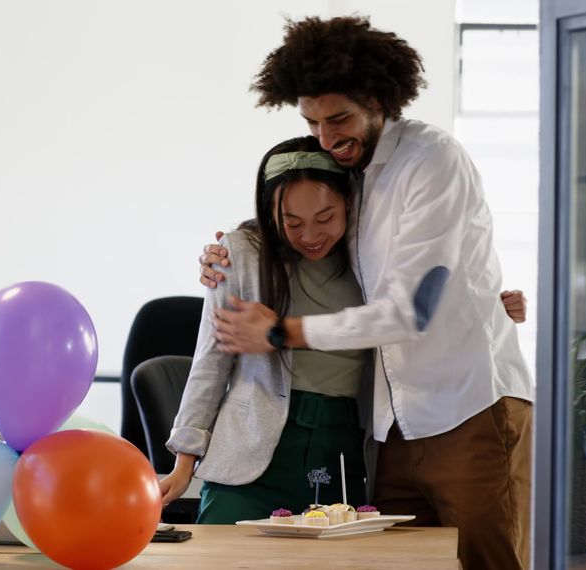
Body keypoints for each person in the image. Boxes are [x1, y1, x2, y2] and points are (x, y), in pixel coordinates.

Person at [199, 16, 534, 570]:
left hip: (468, 408)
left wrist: (281, 332)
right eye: (312, 121)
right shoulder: (353, 169)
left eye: (340, 119)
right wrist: (230, 250)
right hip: (393, 425)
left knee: (485, 562)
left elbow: (413, 307)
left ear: (380, 99)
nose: (327, 138)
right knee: (402, 564)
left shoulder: (432, 162)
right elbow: (307, 215)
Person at [159, 136, 370, 524]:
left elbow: (418, 305)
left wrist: (491, 304)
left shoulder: (369, 256)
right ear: (269, 211)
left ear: (349, 202)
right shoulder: (240, 253)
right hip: (250, 449)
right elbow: (210, 361)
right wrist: (183, 462)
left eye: (325, 218)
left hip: (341, 448)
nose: (310, 236)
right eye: (292, 222)